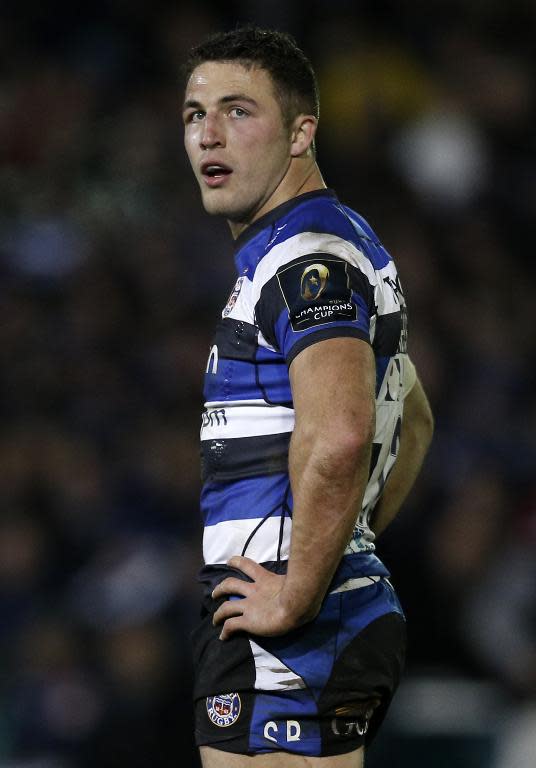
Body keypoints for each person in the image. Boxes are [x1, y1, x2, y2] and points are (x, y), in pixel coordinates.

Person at [182, 26, 434, 768]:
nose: (209, 134)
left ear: (301, 133)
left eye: (238, 110)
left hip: (293, 630)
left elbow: (343, 435)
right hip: (327, 610)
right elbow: (412, 418)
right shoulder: (332, 242)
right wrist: (345, 547)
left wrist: (300, 589)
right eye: (196, 114)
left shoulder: (306, 260)